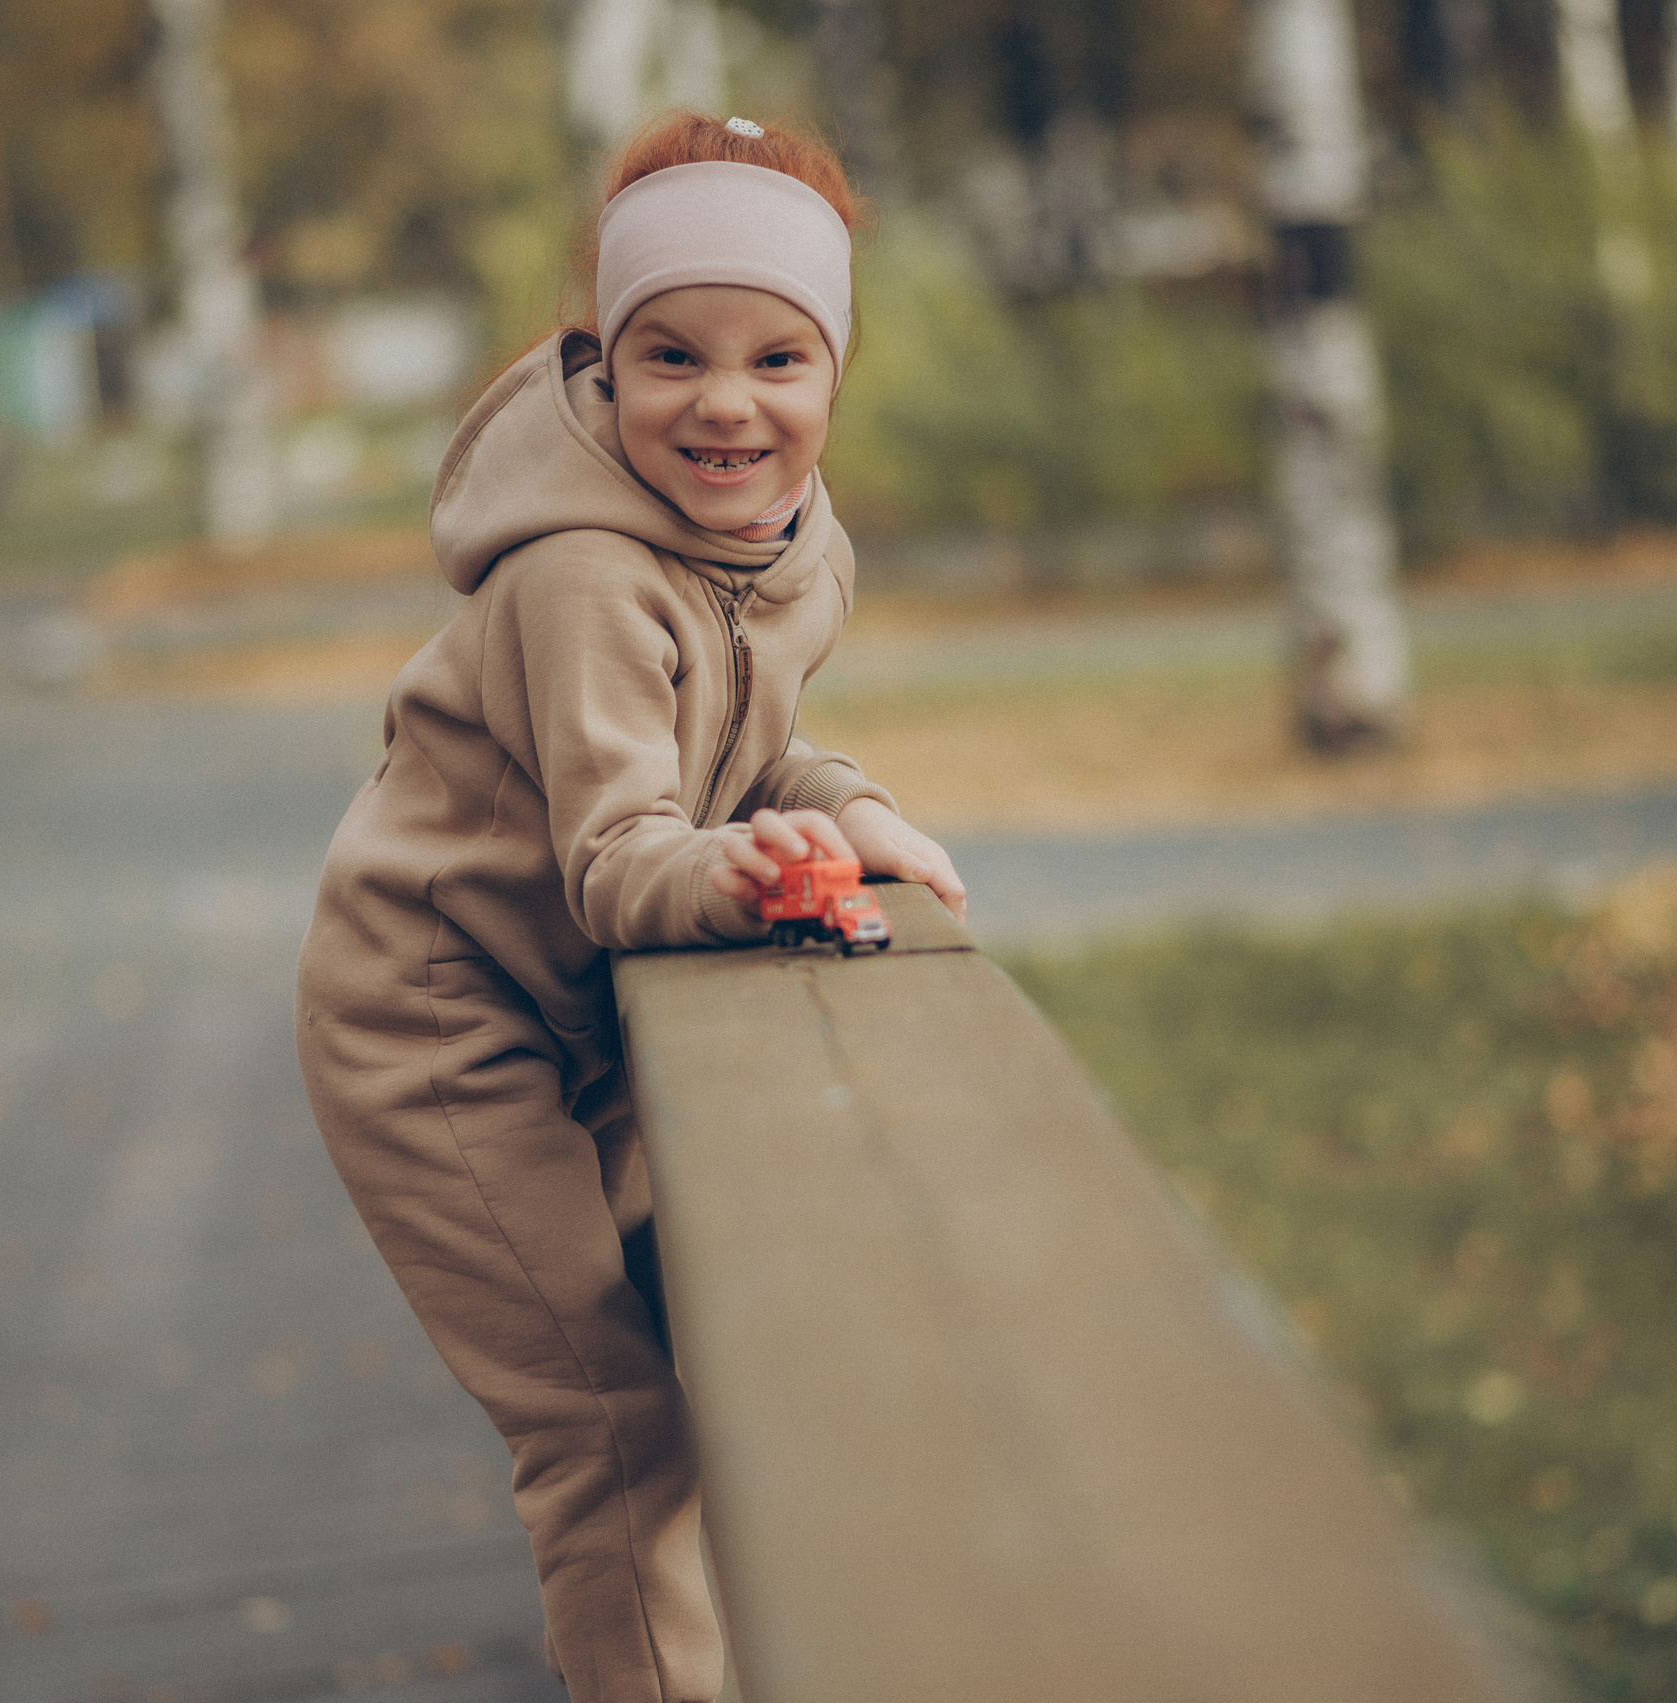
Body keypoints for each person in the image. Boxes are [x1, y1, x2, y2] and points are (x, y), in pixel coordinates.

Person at [293, 112, 964, 1703]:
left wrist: (841, 807)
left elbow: (745, 741)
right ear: (602, 360)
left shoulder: (797, 554)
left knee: (754, 1343)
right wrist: (734, 873)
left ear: (834, 376)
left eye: (778, 362)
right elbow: (619, 857)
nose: (727, 404)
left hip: (583, 1003)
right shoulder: (583, 577)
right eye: (673, 357)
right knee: (605, 1425)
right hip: (442, 1022)